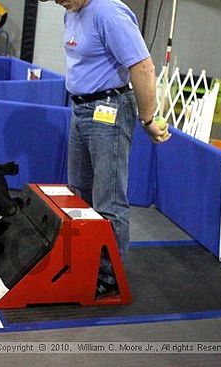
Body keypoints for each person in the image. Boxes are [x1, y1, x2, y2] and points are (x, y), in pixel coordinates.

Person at [41, 0, 170, 295]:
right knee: (78, 194)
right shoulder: (71, 13)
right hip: (81, 109)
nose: (59, 2)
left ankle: (110, 276)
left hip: (108, 109)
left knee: (108, 200)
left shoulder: (109, 13)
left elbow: (143, 66)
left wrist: (147, 118)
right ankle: (84, 263)